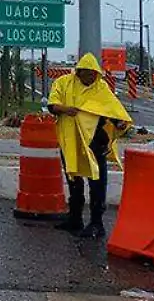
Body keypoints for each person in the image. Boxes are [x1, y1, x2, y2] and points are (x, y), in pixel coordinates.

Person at [46, 53, 132, 238]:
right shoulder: (64, 83)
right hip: (72, 141)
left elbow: (110, 109)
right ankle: (75, 218)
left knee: (97, 182)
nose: (91, 78)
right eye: (87, 74)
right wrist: (66, 110)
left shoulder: (100, 88)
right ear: (79, 72)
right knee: (74, 179)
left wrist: (120, 123)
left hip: (95, 141)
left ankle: (96, 223)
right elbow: (52, 105)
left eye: (94, 74)